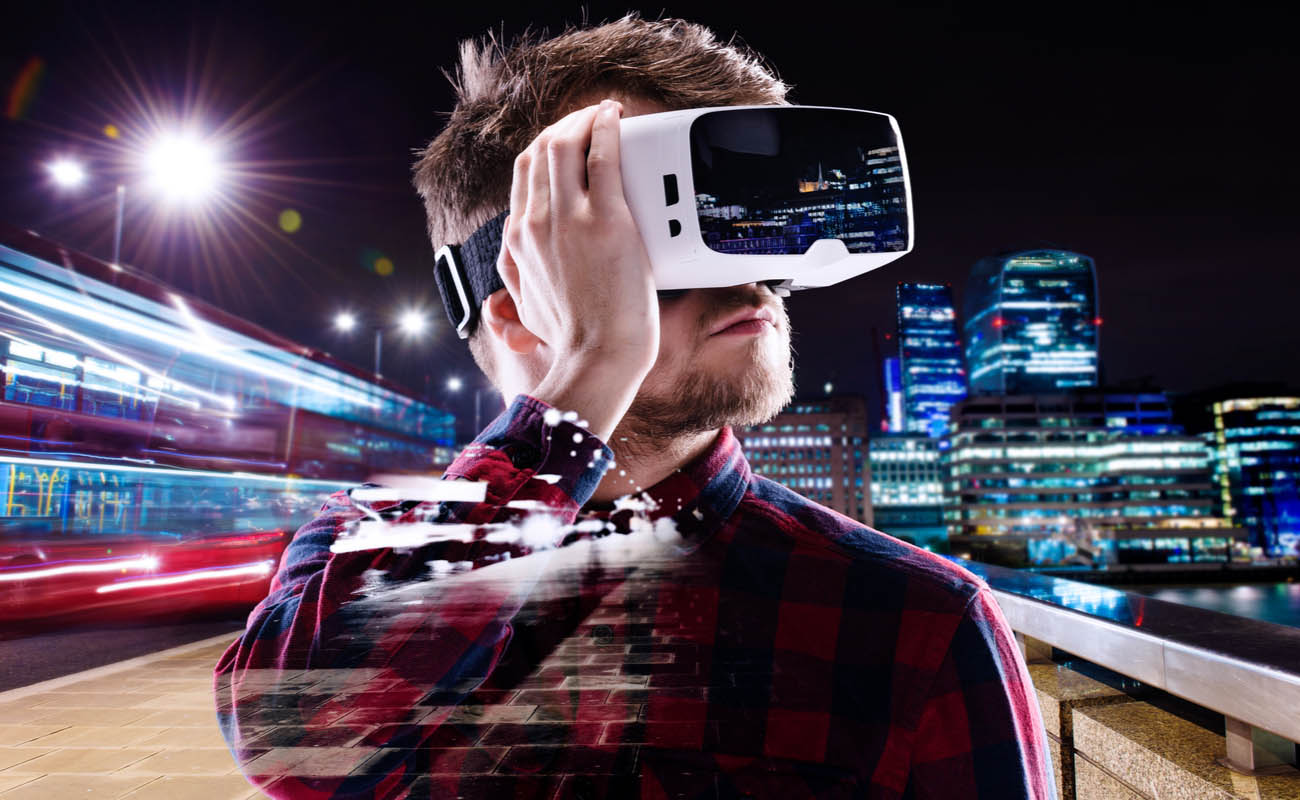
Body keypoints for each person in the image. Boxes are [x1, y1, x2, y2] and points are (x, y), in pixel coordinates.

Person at [215, 15, 1056, 800]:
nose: (749, 275)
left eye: (752, 220)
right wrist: (591, 368)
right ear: (509, 294)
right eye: (657, 227)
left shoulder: (916, 623)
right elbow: (292, 738)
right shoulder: (358, 554)